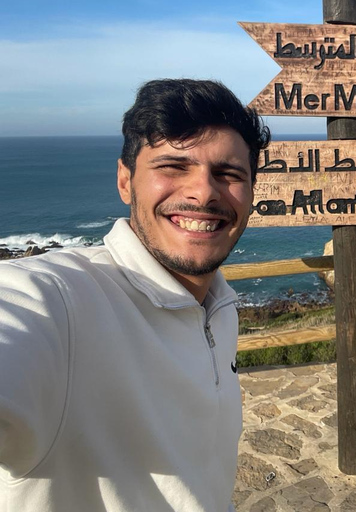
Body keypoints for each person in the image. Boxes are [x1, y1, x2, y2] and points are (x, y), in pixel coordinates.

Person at [0, 79, 270, 511]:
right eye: (172, 167)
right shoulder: (62, 303)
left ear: (251, 193)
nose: (203, 191)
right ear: (126, 182)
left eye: (228, 174)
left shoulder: (220, 306)